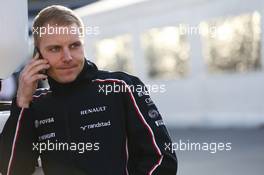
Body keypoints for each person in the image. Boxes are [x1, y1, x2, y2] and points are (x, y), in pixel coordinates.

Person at [0, 5, 177, 175]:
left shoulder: (120, 87)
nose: (67, 57)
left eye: (74, 45)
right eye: (55, 49)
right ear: (37, 55)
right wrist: (22, 102)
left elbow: (162, 158)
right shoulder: (34, 104)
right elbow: (12, 170)